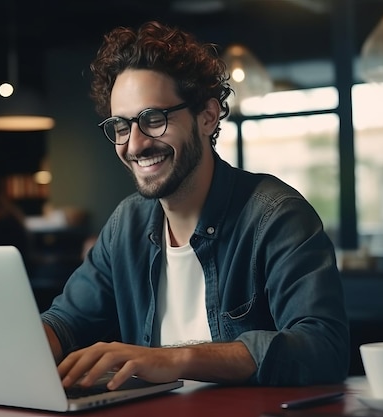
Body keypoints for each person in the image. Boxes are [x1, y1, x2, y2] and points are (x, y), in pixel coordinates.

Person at [41, 21, 349, 390]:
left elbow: (323, 349)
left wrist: (175, 358)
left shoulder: (276, 216)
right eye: (121, 126)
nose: (135, 145)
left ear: (207, 115)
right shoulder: (128, 225)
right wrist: (15, 348)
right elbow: (64, 322)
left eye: (153, 120)